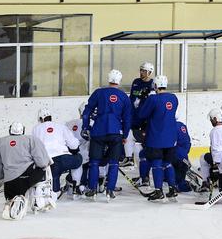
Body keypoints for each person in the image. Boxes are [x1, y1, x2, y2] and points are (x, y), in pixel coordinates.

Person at [82, 69, 132, 201]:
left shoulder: (99, 92)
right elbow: (127, 119)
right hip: (116, 132)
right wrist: (125, 135)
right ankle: (110, 190)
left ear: (108, 79)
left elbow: (87, 112)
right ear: (120, 81)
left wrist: (85, 127)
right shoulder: (123, 97)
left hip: (98, 131)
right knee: (114, 163)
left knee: (94, 162)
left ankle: (92, 189)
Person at [0, 122, 55, 220]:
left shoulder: (0, 141)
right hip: (27, 178)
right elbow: (42, 162)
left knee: (12, 195)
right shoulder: (31, 139)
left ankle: (10, 202)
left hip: (9, 182)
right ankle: (39, 198)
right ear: (23, 131)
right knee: (45, 167)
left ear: (10, 130)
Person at [137, 75, 179, 202]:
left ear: (155, 86)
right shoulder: (173, 98)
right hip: (171, 137)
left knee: (156, 163)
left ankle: (158, 191)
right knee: (167, 163)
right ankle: (172, 189)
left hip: (156, 137)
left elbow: (142, 114)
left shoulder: (153, 99)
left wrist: (143, 99)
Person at [32, 107, 82, 200]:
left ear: (41, 119)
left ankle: (55, 191)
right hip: (65, 159)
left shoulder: (36, 129)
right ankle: (76, 184)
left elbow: (34, 148)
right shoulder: (61, 126)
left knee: (54, 177)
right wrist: (74, 151)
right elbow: (74, 145)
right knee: (78, 159)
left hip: (49, 162)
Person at [122, 62, 155, 168]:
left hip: (145, 118)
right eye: (141, 70)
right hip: (134, 115)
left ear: (150, 72)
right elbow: (132, 97)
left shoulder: (153, 84)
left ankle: (148, 159)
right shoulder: (136, 82)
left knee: (146, 139)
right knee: (129, 134)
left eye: (144, 71)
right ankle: (129, 158)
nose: (142, 72)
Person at [66, 102, 94, 198]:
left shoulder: (69, 123)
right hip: (88, 156)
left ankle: (74, 185)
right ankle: (90, 184)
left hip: (72, 155)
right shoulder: (93, 123)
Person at [173, 120, 194, 192]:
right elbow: (187, 142)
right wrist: (184, 154)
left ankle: (176, 184)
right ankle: (181, 184)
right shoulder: (182, 125)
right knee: (182, 170)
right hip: (184, 156)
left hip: (175, 156)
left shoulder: (170, 125)